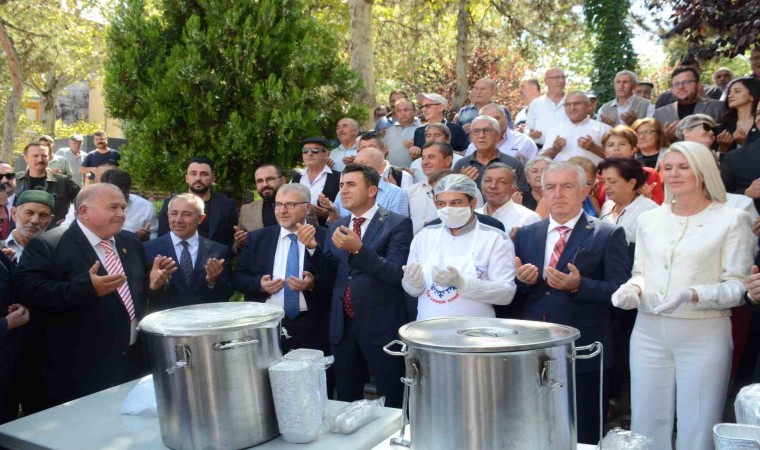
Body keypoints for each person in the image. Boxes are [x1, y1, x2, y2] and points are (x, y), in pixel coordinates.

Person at [611, 141, 756, 450]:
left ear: (703, 171)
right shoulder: (649, 219)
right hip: (647, 330)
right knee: (645, 422)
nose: (673, 173)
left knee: (698, 423)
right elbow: (641, 272)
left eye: (683, 166)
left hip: (704, 333)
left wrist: (693, 294)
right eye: (667, 167)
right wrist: (632, 289)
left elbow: (738, 286)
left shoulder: (732, 219)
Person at [15, 184, 175, 413]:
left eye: (123, 207)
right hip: (77, 371)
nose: (121, 214)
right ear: (84, 211)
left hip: (128, 362)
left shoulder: (129, 242)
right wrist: (86, 288)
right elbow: (29, 291)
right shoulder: (49, 244)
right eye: (113, 207)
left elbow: (133, 295)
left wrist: (153, 285)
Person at [512, 161, 631, 444]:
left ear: (584, 190)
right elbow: (515, 295)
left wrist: (579, 285)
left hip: (583, 350)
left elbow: (620, 291)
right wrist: (522, 282)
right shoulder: (527, 234)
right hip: (533, 349)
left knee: (583, 431)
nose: (558, 194)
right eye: (550, 187)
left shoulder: (608, 233)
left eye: (566, 186)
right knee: (533, 429)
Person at [301, 164, 412, 408]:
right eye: (341, 185)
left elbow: (396, 273)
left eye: (351, 184)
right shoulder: (336, 225)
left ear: (372, 190)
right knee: (346, 398)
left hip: (381, 326)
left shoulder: (397, 223)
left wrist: (359, 250)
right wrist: (312, 248)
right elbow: (330, 274)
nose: (343, 190)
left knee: (392, 399)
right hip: (343, 327)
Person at [233, 183, 330, 356]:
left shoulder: (325, 236)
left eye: (290, 205)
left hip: (313, 325)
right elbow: (238, 277)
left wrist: (312, 283)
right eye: (278, 205)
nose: (282, 211)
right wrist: (259, 285)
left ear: (307, 208)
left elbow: (334, 276)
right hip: (267, 326)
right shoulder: (257, 238)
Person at [402, 174, 515, 319]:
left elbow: (506, 294)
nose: (448, 209)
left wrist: (461, 283)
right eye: (441, 204)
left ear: (473, 203)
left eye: (455, 203)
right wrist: (412, 284)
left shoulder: (495, 239)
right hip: (428, 327)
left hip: (475, 329)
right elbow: (413, 289)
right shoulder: (424, 236)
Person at [144, 193, 233, 313]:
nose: (178, 220)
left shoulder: (218, 251)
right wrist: (153, 285)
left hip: (204, 320)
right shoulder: (148, 249)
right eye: (174, 213)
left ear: (201, 219)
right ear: (168, 215)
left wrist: (212, 282)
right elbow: (138, 294)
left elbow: (227, 292)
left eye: (186, 214)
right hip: (166, 321)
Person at [158, 156, 238, 247]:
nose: (198, 178)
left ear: (212, 179)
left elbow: (230, 241)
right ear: (186, 178)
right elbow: (162, 238)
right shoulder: (171, 203)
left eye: (204, 174)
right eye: (193, 174)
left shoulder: (227, 205)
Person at [452, 115, 530, 195]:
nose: (481, 135)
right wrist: (462, 183)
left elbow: (524, 195)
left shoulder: (513, 164)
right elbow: (452, 194)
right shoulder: (461, 165)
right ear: (471, 136)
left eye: (486, 130)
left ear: (497, 135)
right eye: (476, 131)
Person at [327, 147, 409, 219]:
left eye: (363, 164)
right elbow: (333, 226)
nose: (357, 168)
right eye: (355, 164)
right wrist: (333, 212)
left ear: (380, 167)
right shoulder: (343, 191)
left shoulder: (396, 194)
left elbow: (398, 227)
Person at [15, 142, 80, 226]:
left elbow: (84, 200)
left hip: (54, 230)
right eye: (35, 156)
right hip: (22, 229)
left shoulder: (63, 181)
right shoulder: (15, 181)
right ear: (26, 158)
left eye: (44, 156)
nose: (40, 160)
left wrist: (70, 220)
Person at [654, 67, 725, 141]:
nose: (681, 87)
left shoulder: (717, 107)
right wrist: (665, 139)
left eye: (686, 82)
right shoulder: (660, 113)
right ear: (672, 88)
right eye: (676, 84)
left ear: (698, 85)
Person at [540, 91, 611, 165]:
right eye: (568, 105)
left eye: (577, 103)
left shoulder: (604, 129)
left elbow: (615, 158)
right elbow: (541, 159)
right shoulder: (555, 131)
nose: (572, 108)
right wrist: (554, 149)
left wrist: (593, 148)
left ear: (588, 106)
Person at [599, 125, 664, 205]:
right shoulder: (599, 178)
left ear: (633, 149)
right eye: (611, 145)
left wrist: (648, 196)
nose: (616, 149)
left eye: (622, 144)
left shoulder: (649, 174)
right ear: (605, 152)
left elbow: (661, 207)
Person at [475, 163, 540, 234]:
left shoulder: (528, 218)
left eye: (501, 182)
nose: (493, 186)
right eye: (488, 180)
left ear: (514, 189)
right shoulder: (472, 216)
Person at [463, 104, 538, 162]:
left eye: (496, 118)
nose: (493, 123)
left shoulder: (524, 142)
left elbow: (535, 169)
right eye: (488, 120)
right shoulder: (473, 146)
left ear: (505, 118)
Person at [292, 137, 341, 225]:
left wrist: (330, 213)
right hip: (298, 229)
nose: (309, 154)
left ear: (325, 154)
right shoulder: (295, 179)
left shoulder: (340, 178)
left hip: (328, 230)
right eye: (305, 150)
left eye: (315, 150)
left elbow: (348, 210)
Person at [408, 142, 454, 234]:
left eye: (431, 157)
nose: (425, 162)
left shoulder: (462, 189)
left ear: (448, 160)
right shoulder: (413, 190)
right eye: (423, 158)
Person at [100, 169, 158, 241]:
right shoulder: (93, 206)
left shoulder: (146, 207)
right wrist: (132, 237)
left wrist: (145, 238)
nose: (118, 197)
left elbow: (154, 235)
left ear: (128, 189)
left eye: (122, 193)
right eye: (112, 194)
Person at [1, 189, 55, 261]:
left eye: (43, 215)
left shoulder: (56, 254)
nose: (35, 221)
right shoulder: (2, 249)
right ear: (14, 213)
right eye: (29, 213)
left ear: (50, 220)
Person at [525, 68, 570, 148]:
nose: (561, 80)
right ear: (546, 81)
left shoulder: (572, 102)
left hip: (567, 149)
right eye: (556, 77)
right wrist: (530, 134)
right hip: (540, 150)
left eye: (563, 77)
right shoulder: (536, 103)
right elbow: (528, 128)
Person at [715, 77, 760, 152]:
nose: (730, 96)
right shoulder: (723, 125)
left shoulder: (758, 121)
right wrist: (723, 148)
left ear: (752, 95)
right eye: (729, 92)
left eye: (737, 91)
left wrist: (745, 143)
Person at [240, 164, 287, 232]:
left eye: (270, 179)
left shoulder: (300, 204)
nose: (265, 184)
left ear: (282, 181)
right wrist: (240, 237)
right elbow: (240, 235)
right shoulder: (246, 210)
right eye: (260, 181)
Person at [383, 98, 422, 168]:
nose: (403, 114)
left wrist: (416, 147)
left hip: (412, 172)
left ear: (415, 111)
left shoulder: (422, 129)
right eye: (398, 111)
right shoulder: (389, 131)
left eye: (406, 110)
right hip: (391, 172)